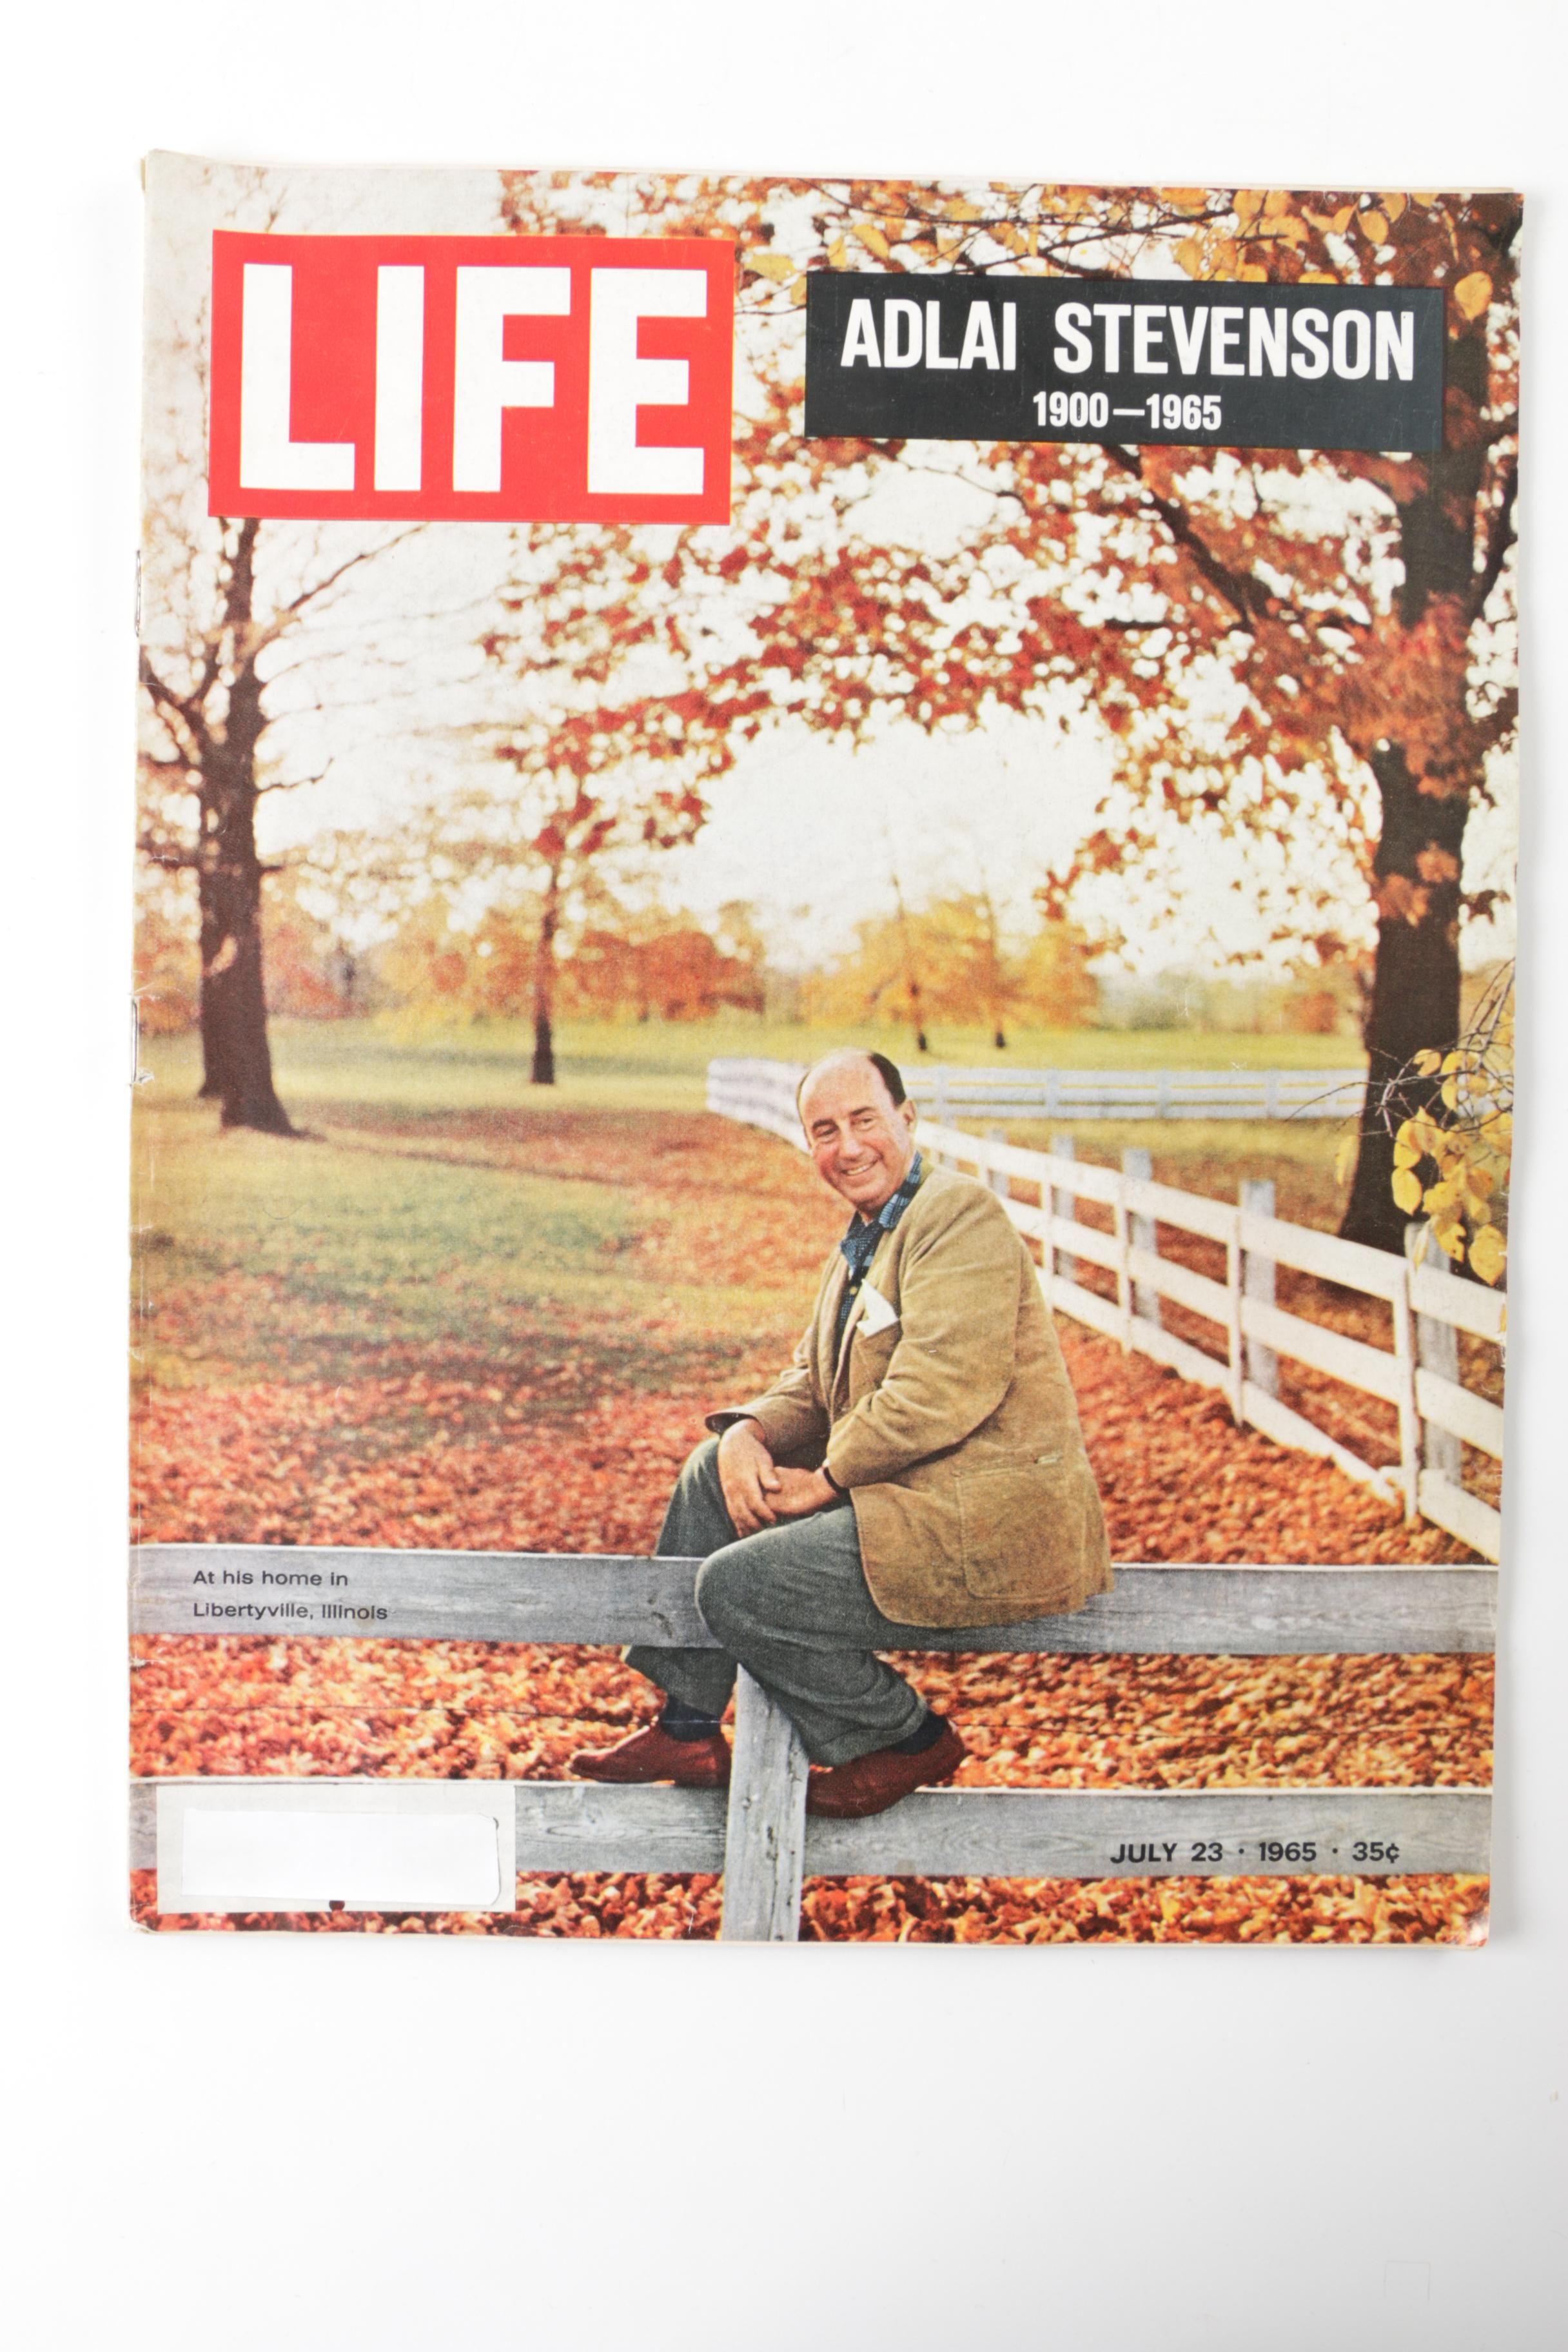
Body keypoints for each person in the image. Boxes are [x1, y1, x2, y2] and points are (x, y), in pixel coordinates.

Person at [571, 1047, 1112, 1819]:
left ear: (907, 1119)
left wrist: (824, 1482)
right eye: (823, 1131)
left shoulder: (956, 1217)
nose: (847, 1146)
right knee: (707, 1471)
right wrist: (746, 1434)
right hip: (913, 1496)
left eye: (863, 1121)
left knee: (739, 1587)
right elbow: (813, 1382)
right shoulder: (867, 1238)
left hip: (982, 1515)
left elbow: (941, 1388)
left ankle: (905, 1738)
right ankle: (687, 1726)